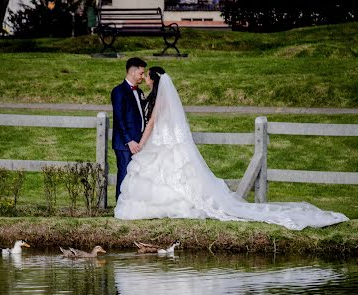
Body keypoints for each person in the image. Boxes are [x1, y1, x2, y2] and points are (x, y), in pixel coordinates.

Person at [114, 67, 349, 231]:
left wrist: (142, 143)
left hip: (160, 142)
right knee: (171, 176)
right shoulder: (155, 96)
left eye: (147, 76)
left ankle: (172, 207)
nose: (144, 78)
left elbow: (153, 122)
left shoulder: (158, 98)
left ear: (154, 79)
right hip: (165, 141)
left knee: (165, 176)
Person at [111, 57, 147, 201]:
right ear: (132, 72)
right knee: (124, 174)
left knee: (137, 175)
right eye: (141, 73)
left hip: (139, 143)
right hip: (125, 144)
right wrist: (129, 141)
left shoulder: (139, 92)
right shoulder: (119, 91)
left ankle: (133, 204)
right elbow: (119, 119)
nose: (143, 77)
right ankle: (120, 205)